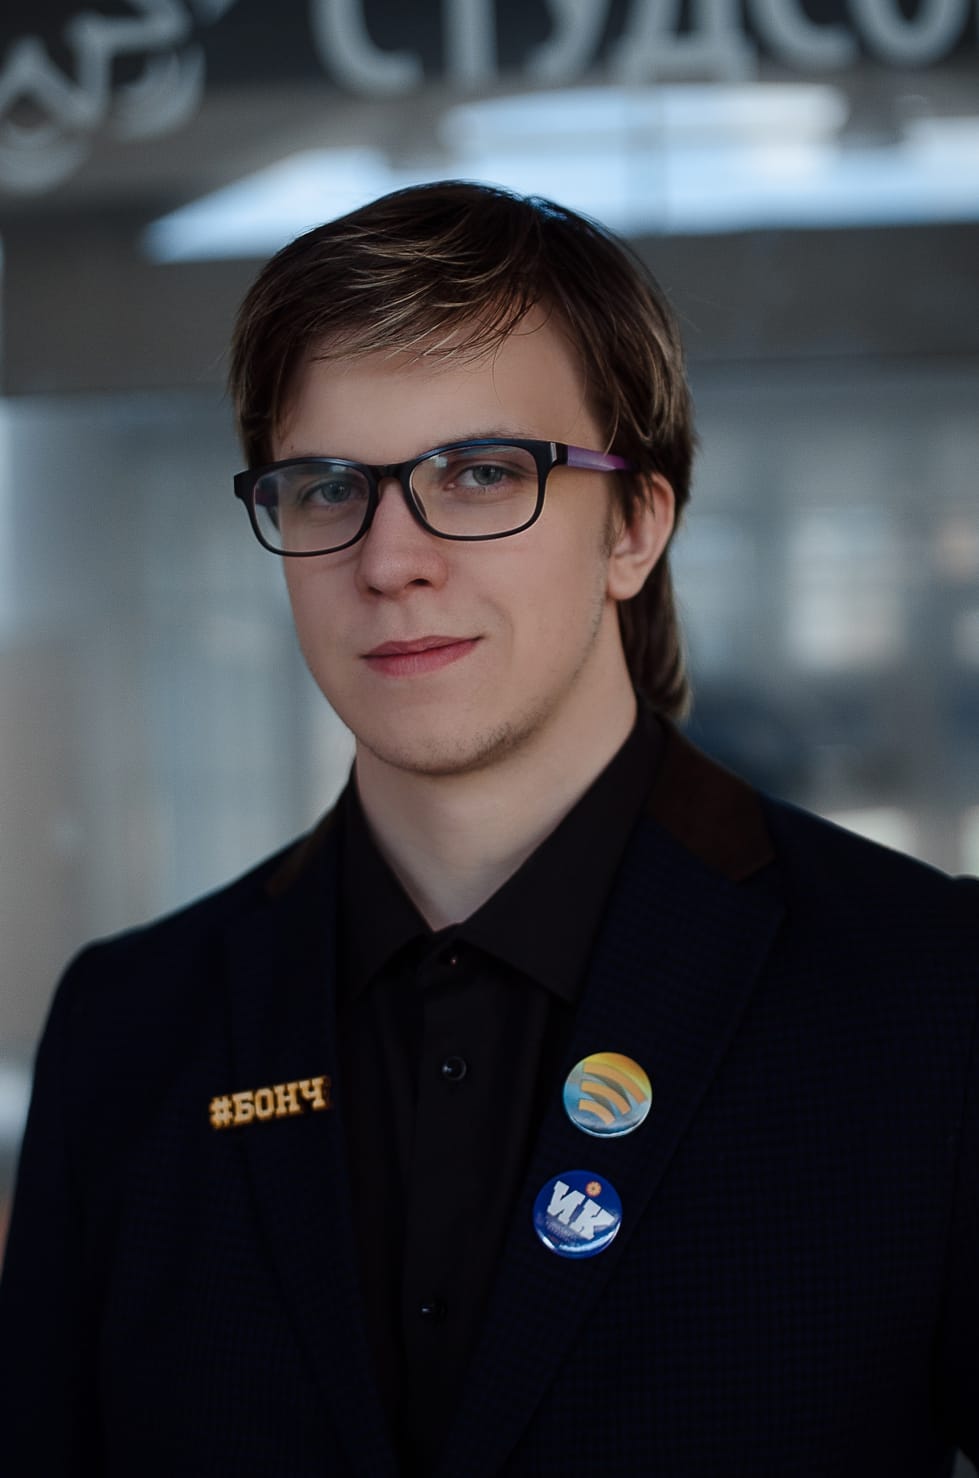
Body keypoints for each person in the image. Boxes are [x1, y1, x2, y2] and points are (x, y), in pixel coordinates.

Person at [0, 180, 976, 1477]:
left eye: (478, 473)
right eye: (327, 486)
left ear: (635, 526)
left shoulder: (931, 995)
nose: (389, 559)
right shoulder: (129, 1035)